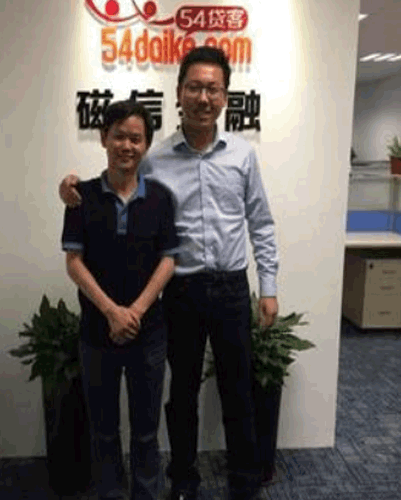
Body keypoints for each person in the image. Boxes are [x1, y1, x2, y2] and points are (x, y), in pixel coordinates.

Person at [60, 47, 279, 500]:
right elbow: (114, 183)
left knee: (237, 390)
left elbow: (261, 222)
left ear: (225, 96)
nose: (204, 97)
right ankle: (183, 482)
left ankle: (244, 482)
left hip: (231, 287)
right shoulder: (155, 158)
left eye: (213, 89)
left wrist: (269, 287)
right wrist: (71, 190)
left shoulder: (242, 155)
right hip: (181, 290)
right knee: (181, 394)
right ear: (179, 93)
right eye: (194, 87)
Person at [61, 99, 179, 500]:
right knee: (104, 430)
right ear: (103, 138)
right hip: (97, 334)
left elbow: (169, 259)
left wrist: (135, 312)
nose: (127, 145)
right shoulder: (80, 197)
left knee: (146, 431)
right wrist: (112, 312)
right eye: (119, 136)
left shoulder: (160, 197)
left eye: (136, 138)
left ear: (145, 145)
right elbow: (74, 263)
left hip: (149, 334)